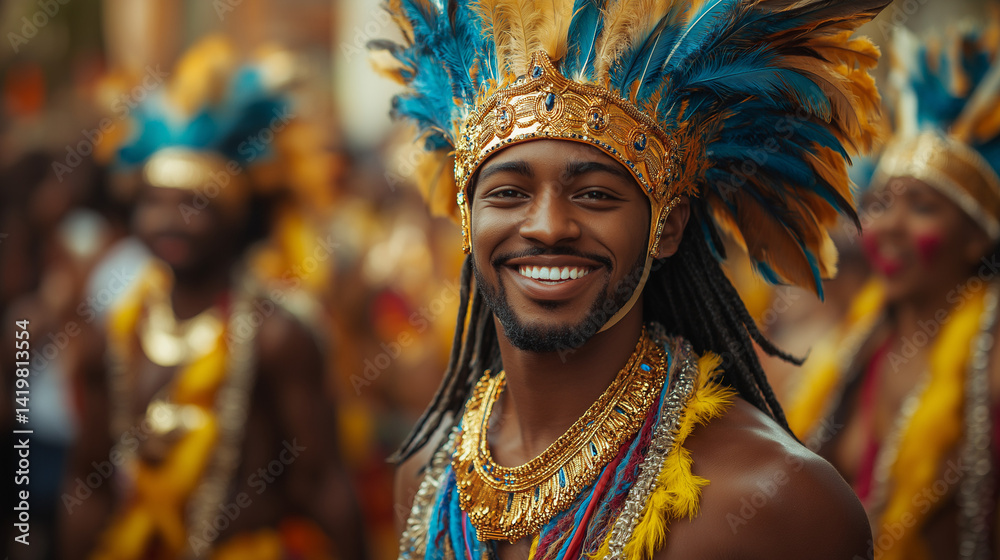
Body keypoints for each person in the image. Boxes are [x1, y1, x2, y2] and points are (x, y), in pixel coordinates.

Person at [371, 0, 889, 558]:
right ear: (469, 218)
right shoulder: (429, 477)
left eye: (595, 194)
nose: (547, 227)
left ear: (666, 227)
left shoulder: (777, 503)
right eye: (508, 193)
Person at [59, 36, 366, 560]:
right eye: (154, 202)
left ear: (233, 216)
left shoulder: (279, 334)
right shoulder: (112, 333)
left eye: (193, 204)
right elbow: (87, 486)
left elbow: (322, 484)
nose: (167, 220)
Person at [786, 24, 1000, 559]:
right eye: (881, 205)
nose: (889, 228)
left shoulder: (993, 367)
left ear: (977, 236)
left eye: (923, 207)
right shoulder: (849, 351)